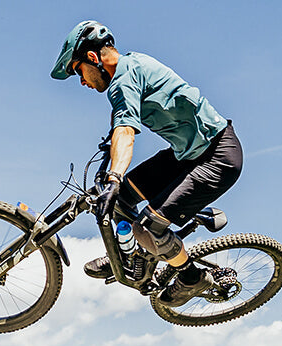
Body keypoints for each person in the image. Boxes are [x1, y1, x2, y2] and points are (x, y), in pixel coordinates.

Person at [51, 20, 243, 307]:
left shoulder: (123, 80)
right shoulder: (132, 65)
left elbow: (126, 131)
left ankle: (192, 278)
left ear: (92, 58)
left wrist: (114, 176)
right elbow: (120, 127)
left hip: (218, 156)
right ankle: (131, 257)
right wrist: (112, 172)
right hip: (186, 154)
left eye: (78, 71)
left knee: (147, 227)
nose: (81, 81)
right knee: (121, 199)